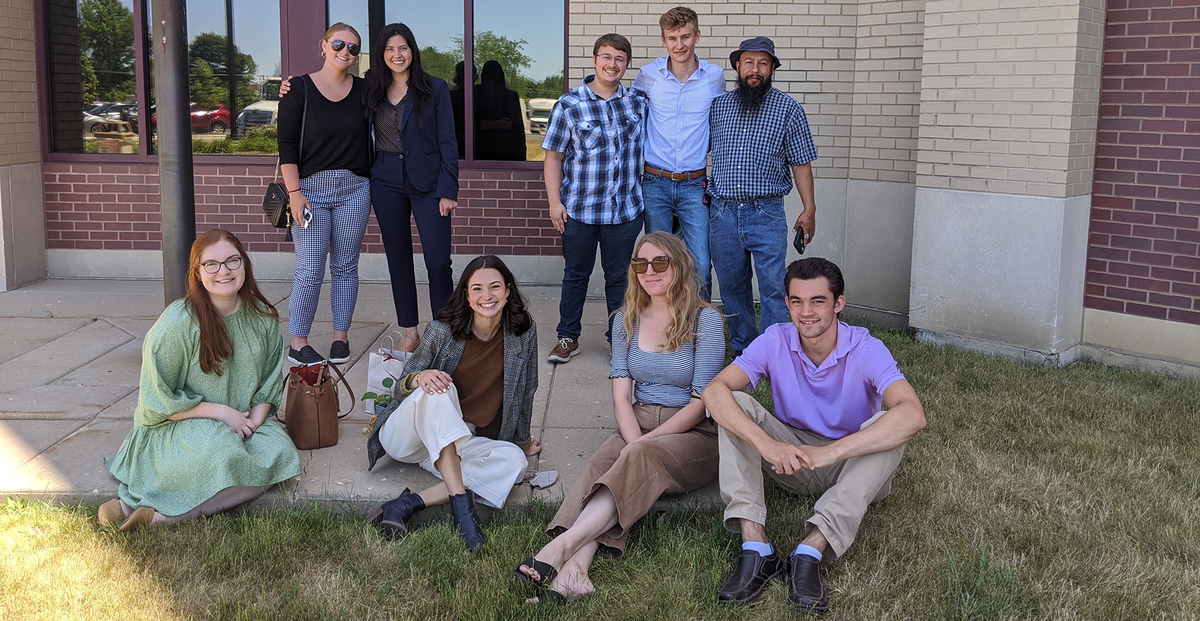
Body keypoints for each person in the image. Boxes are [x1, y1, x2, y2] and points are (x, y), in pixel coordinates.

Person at [703, 257, 926, 613]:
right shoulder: (776, 340)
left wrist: (832, 453)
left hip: (853, 468)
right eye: (797, 301)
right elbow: (714, 392)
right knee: (737, 404)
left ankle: (811, 548)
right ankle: (756, 547)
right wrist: (767, 443)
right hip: (791, 459)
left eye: (817, 301)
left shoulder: (865, 348)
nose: (806, 312)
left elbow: (914, 414)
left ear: (838, 304)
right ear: (787, 302)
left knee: (891, 425)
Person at [515, 232, 725, 603]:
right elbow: (621, 398)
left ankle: (561, 547)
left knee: (637, 457)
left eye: (660, 262)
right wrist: (635, 440)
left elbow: (701, 402)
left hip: (696, 432)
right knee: (598, 466)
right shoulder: (625, 318)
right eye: (640, 264)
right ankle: (575, 574)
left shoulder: (704, 320)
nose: (650, 271)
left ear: (679, 265)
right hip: (638, 420)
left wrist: (640, 446)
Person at [100, 230, 302, 531]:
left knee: (282, 455)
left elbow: (268, 386)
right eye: (212, 264)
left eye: (232, 261)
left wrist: (251, 425)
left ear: (244, 264)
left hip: (244, 422)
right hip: (176, 423)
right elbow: (157, 403)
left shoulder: (263, 319)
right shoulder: (176, 324)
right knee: (218, 449)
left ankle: (157, 517)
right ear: (197, 272)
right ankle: (131, 506)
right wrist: (222, 413)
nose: (224, 271)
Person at [365, 255, 542, 551]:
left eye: (495, 287)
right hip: (407, 437)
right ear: (466, 295)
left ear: (508, 290)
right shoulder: (443, 330)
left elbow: (527, 388)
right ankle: (465, 515)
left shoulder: (522, 332)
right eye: (477, 289)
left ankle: (406, 504)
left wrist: (522, 442)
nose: (487, 296)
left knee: (515, 461)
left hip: (455, 438)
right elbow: (399, 387)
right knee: (439, 387)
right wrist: (420, 378)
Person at [707, 36, 818, 355]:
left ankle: (773, 353)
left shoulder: (788, 109)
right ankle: (744, 348)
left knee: (772, 287)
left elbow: (801, 162)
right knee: (731, 288)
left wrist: (809, 208)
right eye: (749, 63)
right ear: (738, 67)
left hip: (766, 213)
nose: (755, 69)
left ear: (771, 69)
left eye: (763, 63)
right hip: (722, 213)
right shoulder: (718, 107)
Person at [543, 33, 649, 363]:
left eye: (619, 58)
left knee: (619, 279)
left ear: (627, 64)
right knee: (576, 275)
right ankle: (567, 336)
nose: (612, 64)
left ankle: (618, 339)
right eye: (606, 56)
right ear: (594, 60)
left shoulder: (638, 103)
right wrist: (554, 203)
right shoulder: (569, 105)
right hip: (580, 211)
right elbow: (553, 158)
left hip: (624, 212)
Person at [278, 22, 372, 366]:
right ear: (324, 45)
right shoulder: (299, 89)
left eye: (352, 48)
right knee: (310, 268)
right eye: (338, 44)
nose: (345, 52)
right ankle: (298, 341)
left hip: (355, 190)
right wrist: (294, 194)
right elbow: (286, 146)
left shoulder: (366, 90)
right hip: (310, 191)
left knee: (347, 266)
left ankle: (340, 338)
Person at [364, 23, 460, 354]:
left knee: (437, 261)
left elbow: (448, 141)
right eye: (390, 49)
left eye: (402, 48)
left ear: (412, 50)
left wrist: (448, 189)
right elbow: (332, 92)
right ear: (382, 54)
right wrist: (294, 87)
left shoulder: (434, 89)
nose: (397, 54)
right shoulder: (371, 88)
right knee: (398, 258)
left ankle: (443, 331)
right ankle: (410, 331)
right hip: (386, 179)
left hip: (429, 183)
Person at [633, 6, 725, 300]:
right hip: (655, 182)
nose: (679, 45)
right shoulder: (648, 76)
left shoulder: (714, 77)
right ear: (663, 40)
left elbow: (720, 124)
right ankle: (660, 330)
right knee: (657, 263)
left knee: (699, 263)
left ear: (697, 35)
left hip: (693, 184)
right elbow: (633, 117)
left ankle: (701, 332)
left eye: (685, 37)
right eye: (672, 38)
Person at [474, 60, 527, 161]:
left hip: (484, 151)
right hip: (495, 150)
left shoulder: (475, 94)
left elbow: (517, 126)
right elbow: (518, 129)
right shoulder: (475, 95)